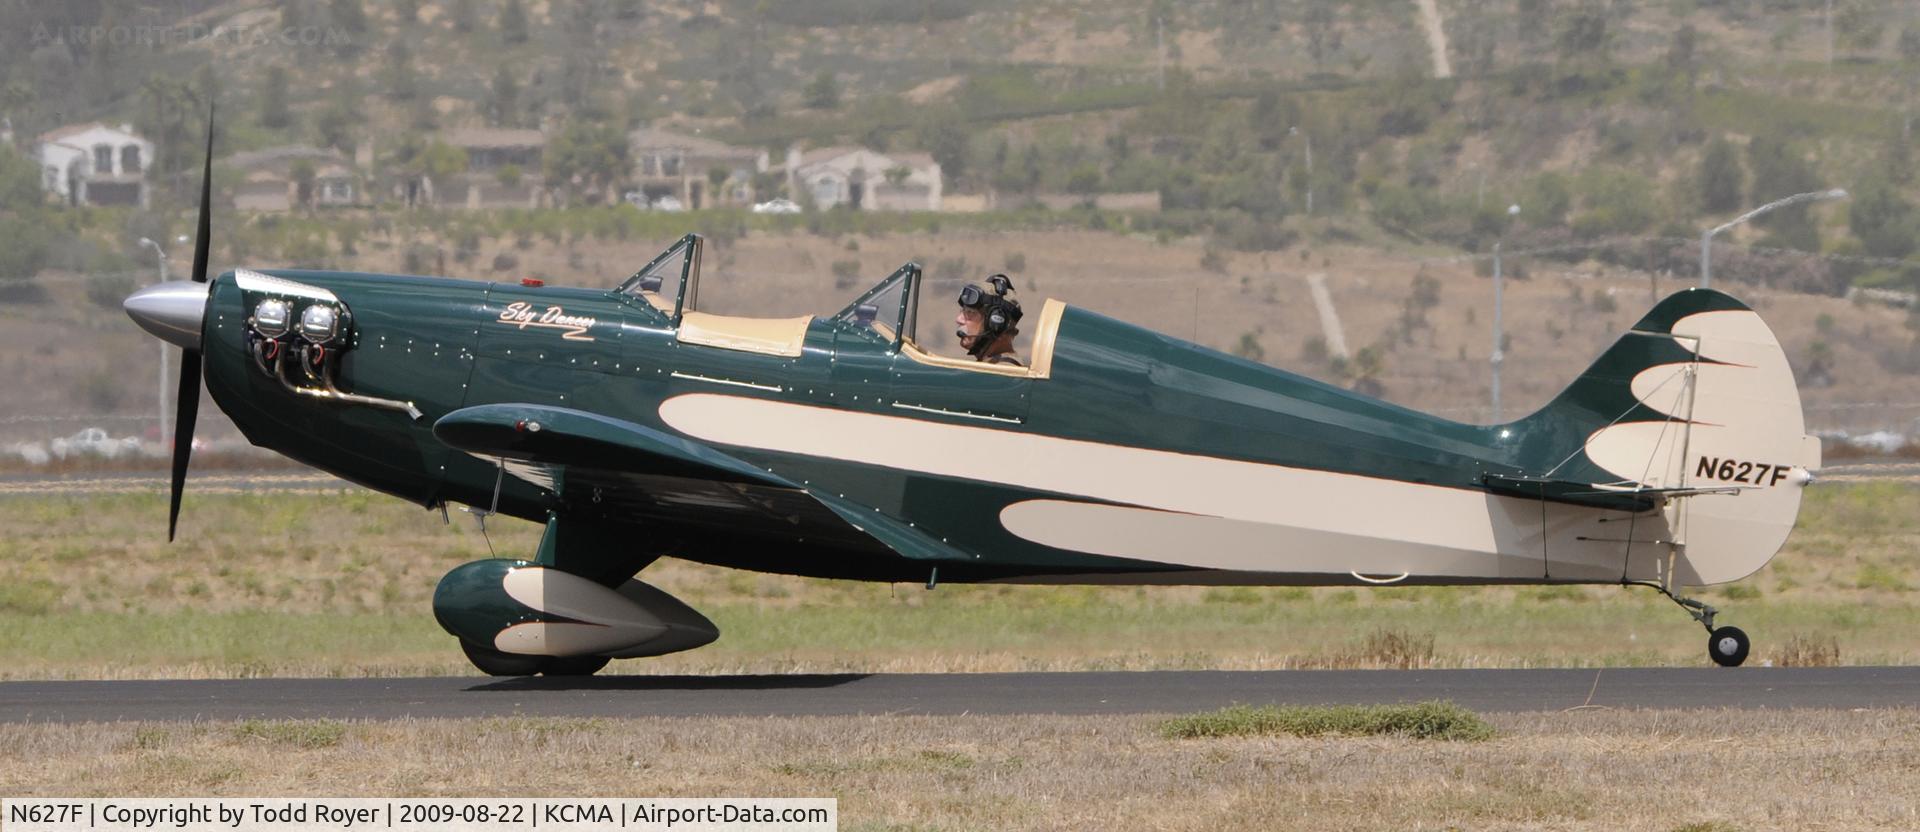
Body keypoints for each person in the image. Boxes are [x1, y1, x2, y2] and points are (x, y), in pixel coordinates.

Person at [955, 273, 1024, 366]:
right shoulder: (990, 366)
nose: (959, 319)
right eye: (962, 311)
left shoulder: (1001, 372)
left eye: (970, 312)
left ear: (996, 324)